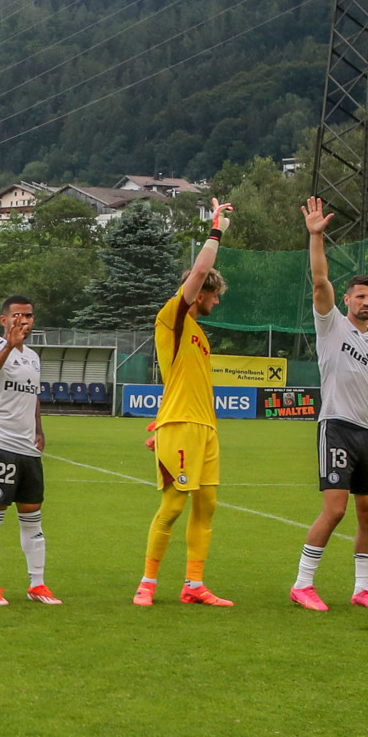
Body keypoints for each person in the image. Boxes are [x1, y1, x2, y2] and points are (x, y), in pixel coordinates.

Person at [289, 197, 368, 611]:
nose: (366, 302)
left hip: (367, 432)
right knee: (334, 510)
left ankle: (361, 589)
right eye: (360, 297)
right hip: (335, 425)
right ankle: (302, 584)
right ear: (348, 300)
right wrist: (316, 237)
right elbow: (320, 281)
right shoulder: (331, 324)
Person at [134, 198, 235, 607]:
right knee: (174, 505)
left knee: (206, 504)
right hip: (180, 427)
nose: (217, 301)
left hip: (205, 429)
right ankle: (147, 583)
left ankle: (194, 585)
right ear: (201, 292)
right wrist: (216, 231)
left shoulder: (199, 334)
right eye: (214, 294)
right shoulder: (171, 320)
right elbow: (197, 271)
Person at [0, 296, 58, 606]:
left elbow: (33, 396)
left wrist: (38, 428)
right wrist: (8, 346)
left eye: (29, 316)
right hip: (0, 444)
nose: (24, 321)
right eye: (18, 316)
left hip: (28, 449)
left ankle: (37, 584)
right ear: (4, 320)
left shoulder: (34, 357)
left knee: (33, 517)